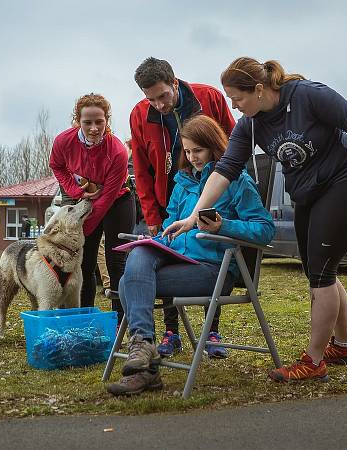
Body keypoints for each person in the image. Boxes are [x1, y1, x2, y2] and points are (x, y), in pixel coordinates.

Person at [164, 57, 347, 383]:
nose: (234, 106)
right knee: (318, 267)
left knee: (321, 272)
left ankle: (314, 362)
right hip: (308, 192)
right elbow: (225, 170)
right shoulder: (250, 124)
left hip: (346, 180)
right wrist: (192, 216)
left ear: (259, 89)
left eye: (238, 98)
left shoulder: (307, 96)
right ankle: (342, 346)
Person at [107, 115, 275, 395]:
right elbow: (172, 224)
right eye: (187, 151)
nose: (192, 157)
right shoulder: (182, 182)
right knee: (140, 252)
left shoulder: (235, 181)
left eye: (198, 150)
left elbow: (265, 229)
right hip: (177, 259)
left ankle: (146, 368)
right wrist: (157, 240)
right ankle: (144, 344)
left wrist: (225, 225)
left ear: (213, 147)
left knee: (128, 283)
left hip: (214, 269)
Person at [129, 57, 237, 354]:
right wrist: (151, 214)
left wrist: (233, 191)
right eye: (151, 99)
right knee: (166, 251)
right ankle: (170, 332)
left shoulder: (209, 97)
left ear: (174, 83)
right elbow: (141, 169)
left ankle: (211, 333)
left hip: (214, 193)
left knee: (208, 248)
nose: (159, 105)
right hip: (171, 197)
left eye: (163, 96)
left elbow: (234, 141)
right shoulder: (139, 115)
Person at [49, 93, 136, 316]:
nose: (94, 128)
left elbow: (106, 199)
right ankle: (83, 319)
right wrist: (75, 190)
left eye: (100, 122)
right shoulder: (63, 141)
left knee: (116, 261)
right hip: (84, 199)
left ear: (107, 120)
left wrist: (80, 230)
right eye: (87, 122)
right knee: (84, 263)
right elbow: (57, 166)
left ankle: (119, 321)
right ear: (78, 120)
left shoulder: (116, 150)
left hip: (117, 199)